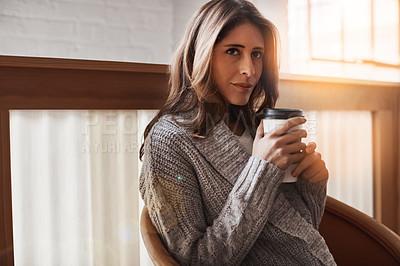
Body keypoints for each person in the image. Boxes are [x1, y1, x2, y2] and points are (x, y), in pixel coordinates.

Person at [139, 0, 335, 265]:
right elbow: (196, 261)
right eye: (233, 51)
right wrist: (261, 170)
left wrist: (311, 185)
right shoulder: (168, 142)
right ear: (201, 54)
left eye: (256, 54)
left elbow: (296, 238)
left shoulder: (256, 127)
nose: (250, 70)